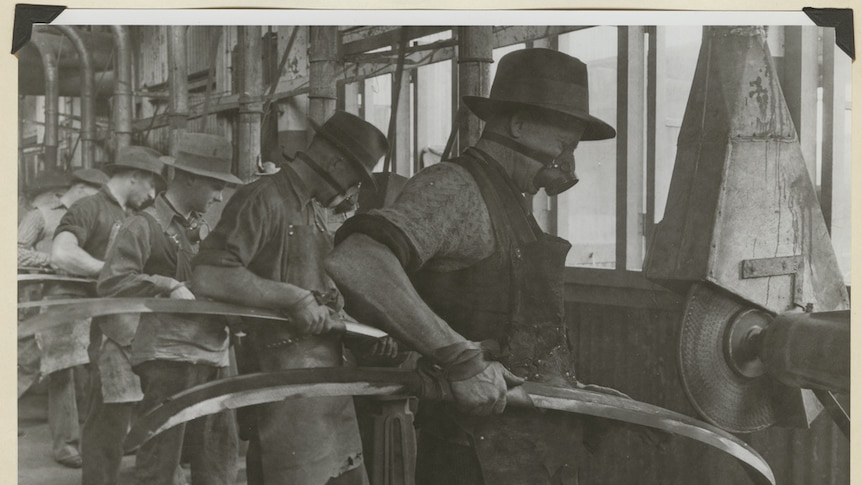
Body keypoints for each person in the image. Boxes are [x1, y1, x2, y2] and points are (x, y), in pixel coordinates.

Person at [327, 48, 617, 485]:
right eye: (562, 145)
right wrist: (460, 360)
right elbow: (357, 258)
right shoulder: (457, 188)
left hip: (530, 453)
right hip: (473, 459)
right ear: (518, 125)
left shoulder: (511, 201)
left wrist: (569, 392)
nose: (566, 165)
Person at [191, 110, 388, 485]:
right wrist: (291, 298)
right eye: (353, 177)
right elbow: (209, 276)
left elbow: (322, 286)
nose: (351, 191)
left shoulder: (311, 209)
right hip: (284, 379)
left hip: (328, 378)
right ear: (333, 161)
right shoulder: (262, 199)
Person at [97, 133, 242, 485]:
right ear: (190, 177)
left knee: (218, 453)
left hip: (213, 353)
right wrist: (167, 285)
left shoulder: (202, 228)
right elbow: (111, 283)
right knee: (161, 456)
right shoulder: (142, 225)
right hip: (168, 357)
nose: (219, 196)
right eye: (214, 186)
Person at [51, 146, 167, 485]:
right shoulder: (90, 207)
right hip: (104, 330)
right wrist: (111, 272)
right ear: (134, 177)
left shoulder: (132, 214)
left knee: (128, 416)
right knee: (107, 418)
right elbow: (61, 253)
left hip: (132, 326)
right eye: (150, 186)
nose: (151, 194)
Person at [17, 168, 108, 469]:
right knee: (35, 366)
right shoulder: (41, 214)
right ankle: (66, 445)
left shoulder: (93, 215)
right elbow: (14, 252)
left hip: (83, 300)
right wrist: (52, 261)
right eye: (97, 193)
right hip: (43, 301)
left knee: (76, 368)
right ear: (81, 188)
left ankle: (79, 442)